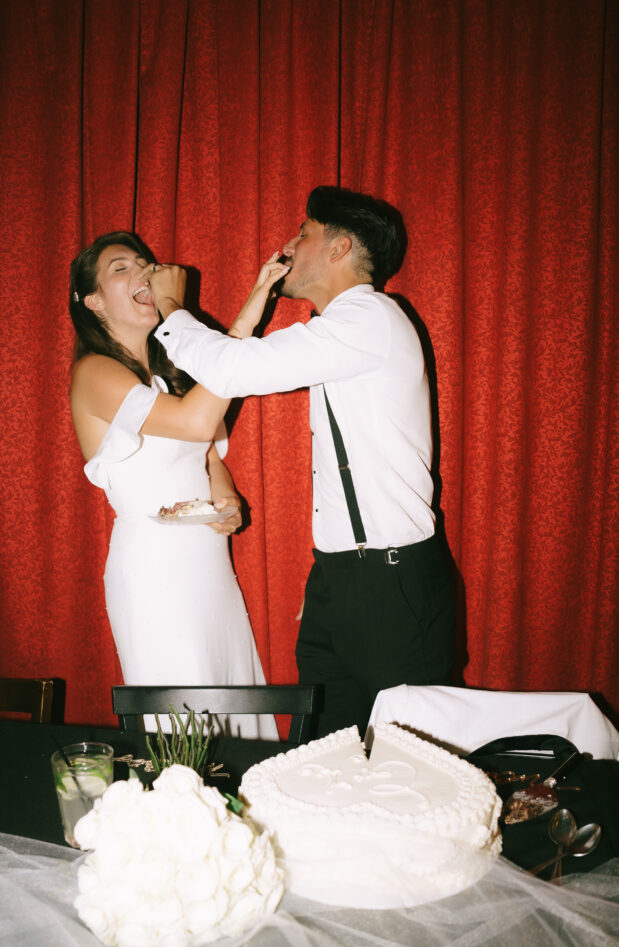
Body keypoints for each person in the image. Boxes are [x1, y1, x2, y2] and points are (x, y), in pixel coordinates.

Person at [149, 186, 456, 739]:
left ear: (339, 249)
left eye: (304, 233)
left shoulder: (369, 318)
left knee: (413, 765)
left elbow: (233, 370)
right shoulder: (348, 329)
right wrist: (335, 581)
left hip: (391, 583)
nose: (290, 245)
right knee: (322, 760)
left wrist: (173, 307)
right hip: (347, 579)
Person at [69, 230, 277, 739]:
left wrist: (223, 491)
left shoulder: (165, 373)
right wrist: (244, 317)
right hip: (154, 574)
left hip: (207, 565)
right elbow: (192, 423)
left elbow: (203, 449)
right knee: (187, 732)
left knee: (233, 706)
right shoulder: (95, 371)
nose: (143, 270)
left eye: (146, 263)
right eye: (122, 268)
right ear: (93, 302)